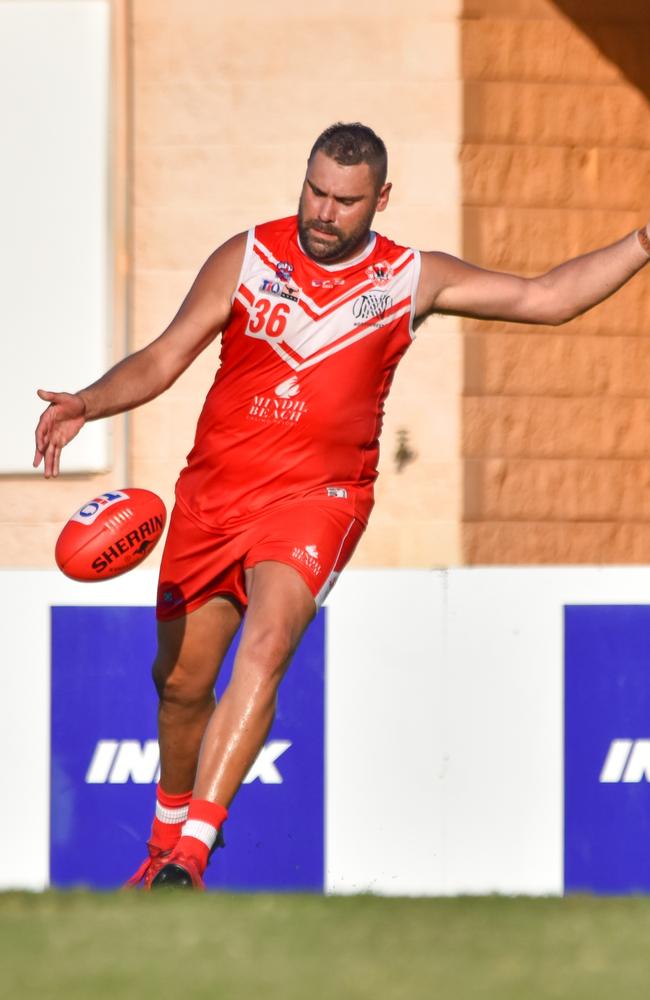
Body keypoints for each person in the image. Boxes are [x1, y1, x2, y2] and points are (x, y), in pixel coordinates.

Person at [34, 123, 650, 889]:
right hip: (213, 497)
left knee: (267, 644)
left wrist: (644, 241)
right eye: (315, 190)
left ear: (380, 199)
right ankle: (163, 844)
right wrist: (87, 402)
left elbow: (546, 298)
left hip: (316, 501)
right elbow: (164, 356)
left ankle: (190, 855)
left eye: (346, 200)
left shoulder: (409, 277)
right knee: (182, 686)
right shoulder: (247, 257)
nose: (324, 212)